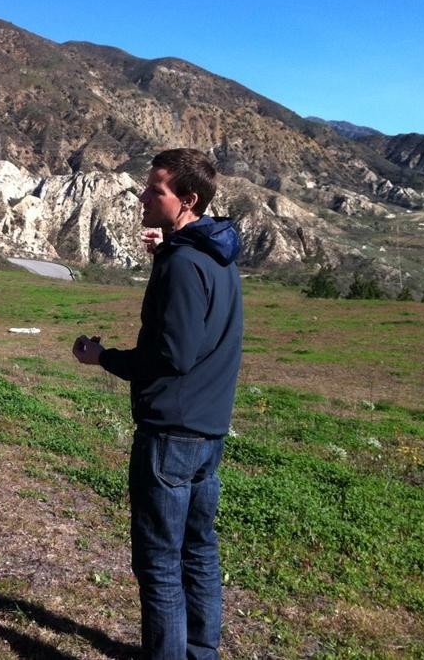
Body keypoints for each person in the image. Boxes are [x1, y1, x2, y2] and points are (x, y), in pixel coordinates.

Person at [72, 148, 243, 660]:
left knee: (160, 563)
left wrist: (103, 357)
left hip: (172, 433)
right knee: (199, 550)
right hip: (208, 429)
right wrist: (165, 252)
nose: (143, 196)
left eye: (156, 190)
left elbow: (172, 354)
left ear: (187, 200)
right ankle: (199, 651)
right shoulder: (212, 252)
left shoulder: (185, 263)